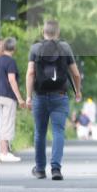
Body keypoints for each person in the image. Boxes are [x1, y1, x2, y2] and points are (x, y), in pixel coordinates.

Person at [26, 20, 82, 181]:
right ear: (57, 32)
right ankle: (56, 169)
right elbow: (76, 74)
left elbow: (30, 73)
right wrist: (78, 91)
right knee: (58, 131)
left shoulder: (35, 48)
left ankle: (40, 169)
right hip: (60, 95)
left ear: (43, 32)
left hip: (40, 96)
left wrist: (29, 96)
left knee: (40, 133)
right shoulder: (65, 47)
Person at [0, 37, 25, 162]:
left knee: (2, 123)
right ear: (14, 48)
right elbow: (12, 80)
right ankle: (4, 152)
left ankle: (2, 151)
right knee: (7, 123)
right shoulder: (10, 62)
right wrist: (20, 98)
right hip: (8, 96)